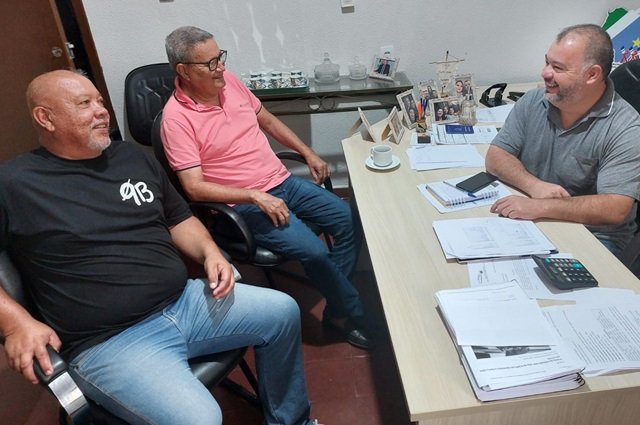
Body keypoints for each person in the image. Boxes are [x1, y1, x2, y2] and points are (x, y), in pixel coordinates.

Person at [0, 70, 320, 425]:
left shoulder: (130, 157)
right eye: (84, 103)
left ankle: (292, 421)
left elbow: (178, 219)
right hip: (110, 341)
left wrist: (210, 252)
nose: (101, 111)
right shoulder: (14, 183)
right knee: (200, 419)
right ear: (46, 118)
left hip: (184, 302)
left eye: (100, 102)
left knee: (282, 312)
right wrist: (15, 323)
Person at [161, 26, 372, 349]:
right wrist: (254, 195)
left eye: (220, 57)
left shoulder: (229, 82)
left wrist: (307, 152)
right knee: (314, 251)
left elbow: (268, 120)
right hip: (244, 204)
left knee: (350, 219)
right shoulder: (175, 119)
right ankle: (354, 314)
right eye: (211, 63)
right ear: (184, 71)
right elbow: (194, 188)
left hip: (282, 181)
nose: (221, 68)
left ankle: (336, 309)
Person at [485, 24, 640, 267]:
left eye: (557, 68)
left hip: (594, 235)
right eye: (547, 62)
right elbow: (496, 155)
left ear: (592, 75)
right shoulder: (534, 100)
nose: (545, 73)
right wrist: (534, 186)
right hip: (535, 218)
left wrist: (542, 206)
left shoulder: (626, 127)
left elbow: (615, 208)